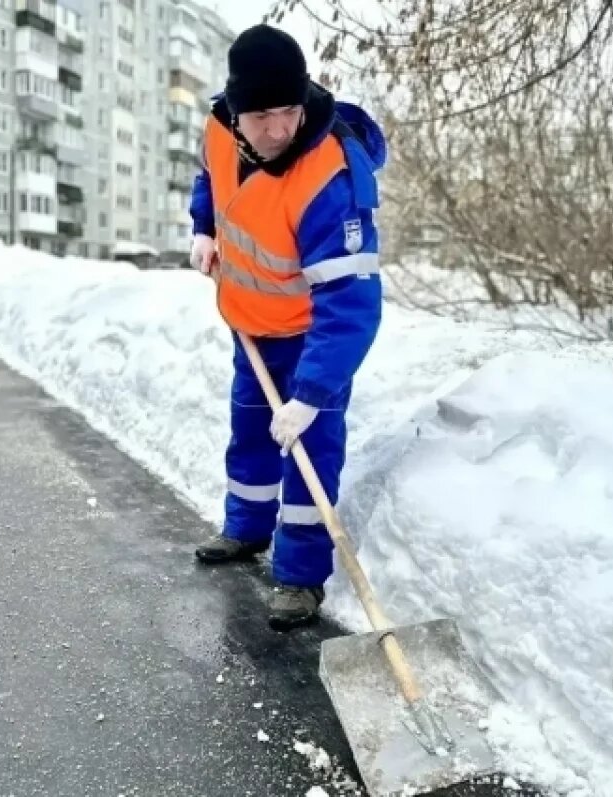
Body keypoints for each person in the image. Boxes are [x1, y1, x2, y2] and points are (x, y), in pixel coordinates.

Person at [188, 23, 387, 631]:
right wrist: (203, 227)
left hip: (310, 338)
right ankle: (246, 528)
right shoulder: (219, 129)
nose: (278, 130)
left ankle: (300, 577)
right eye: (262, 116)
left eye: (289, 112)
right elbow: (211, 179)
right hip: (250, 325)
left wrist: (312, 393)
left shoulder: (331, 181)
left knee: (307, 453)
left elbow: (351, 303)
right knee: (250, 431)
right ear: (235, 112)